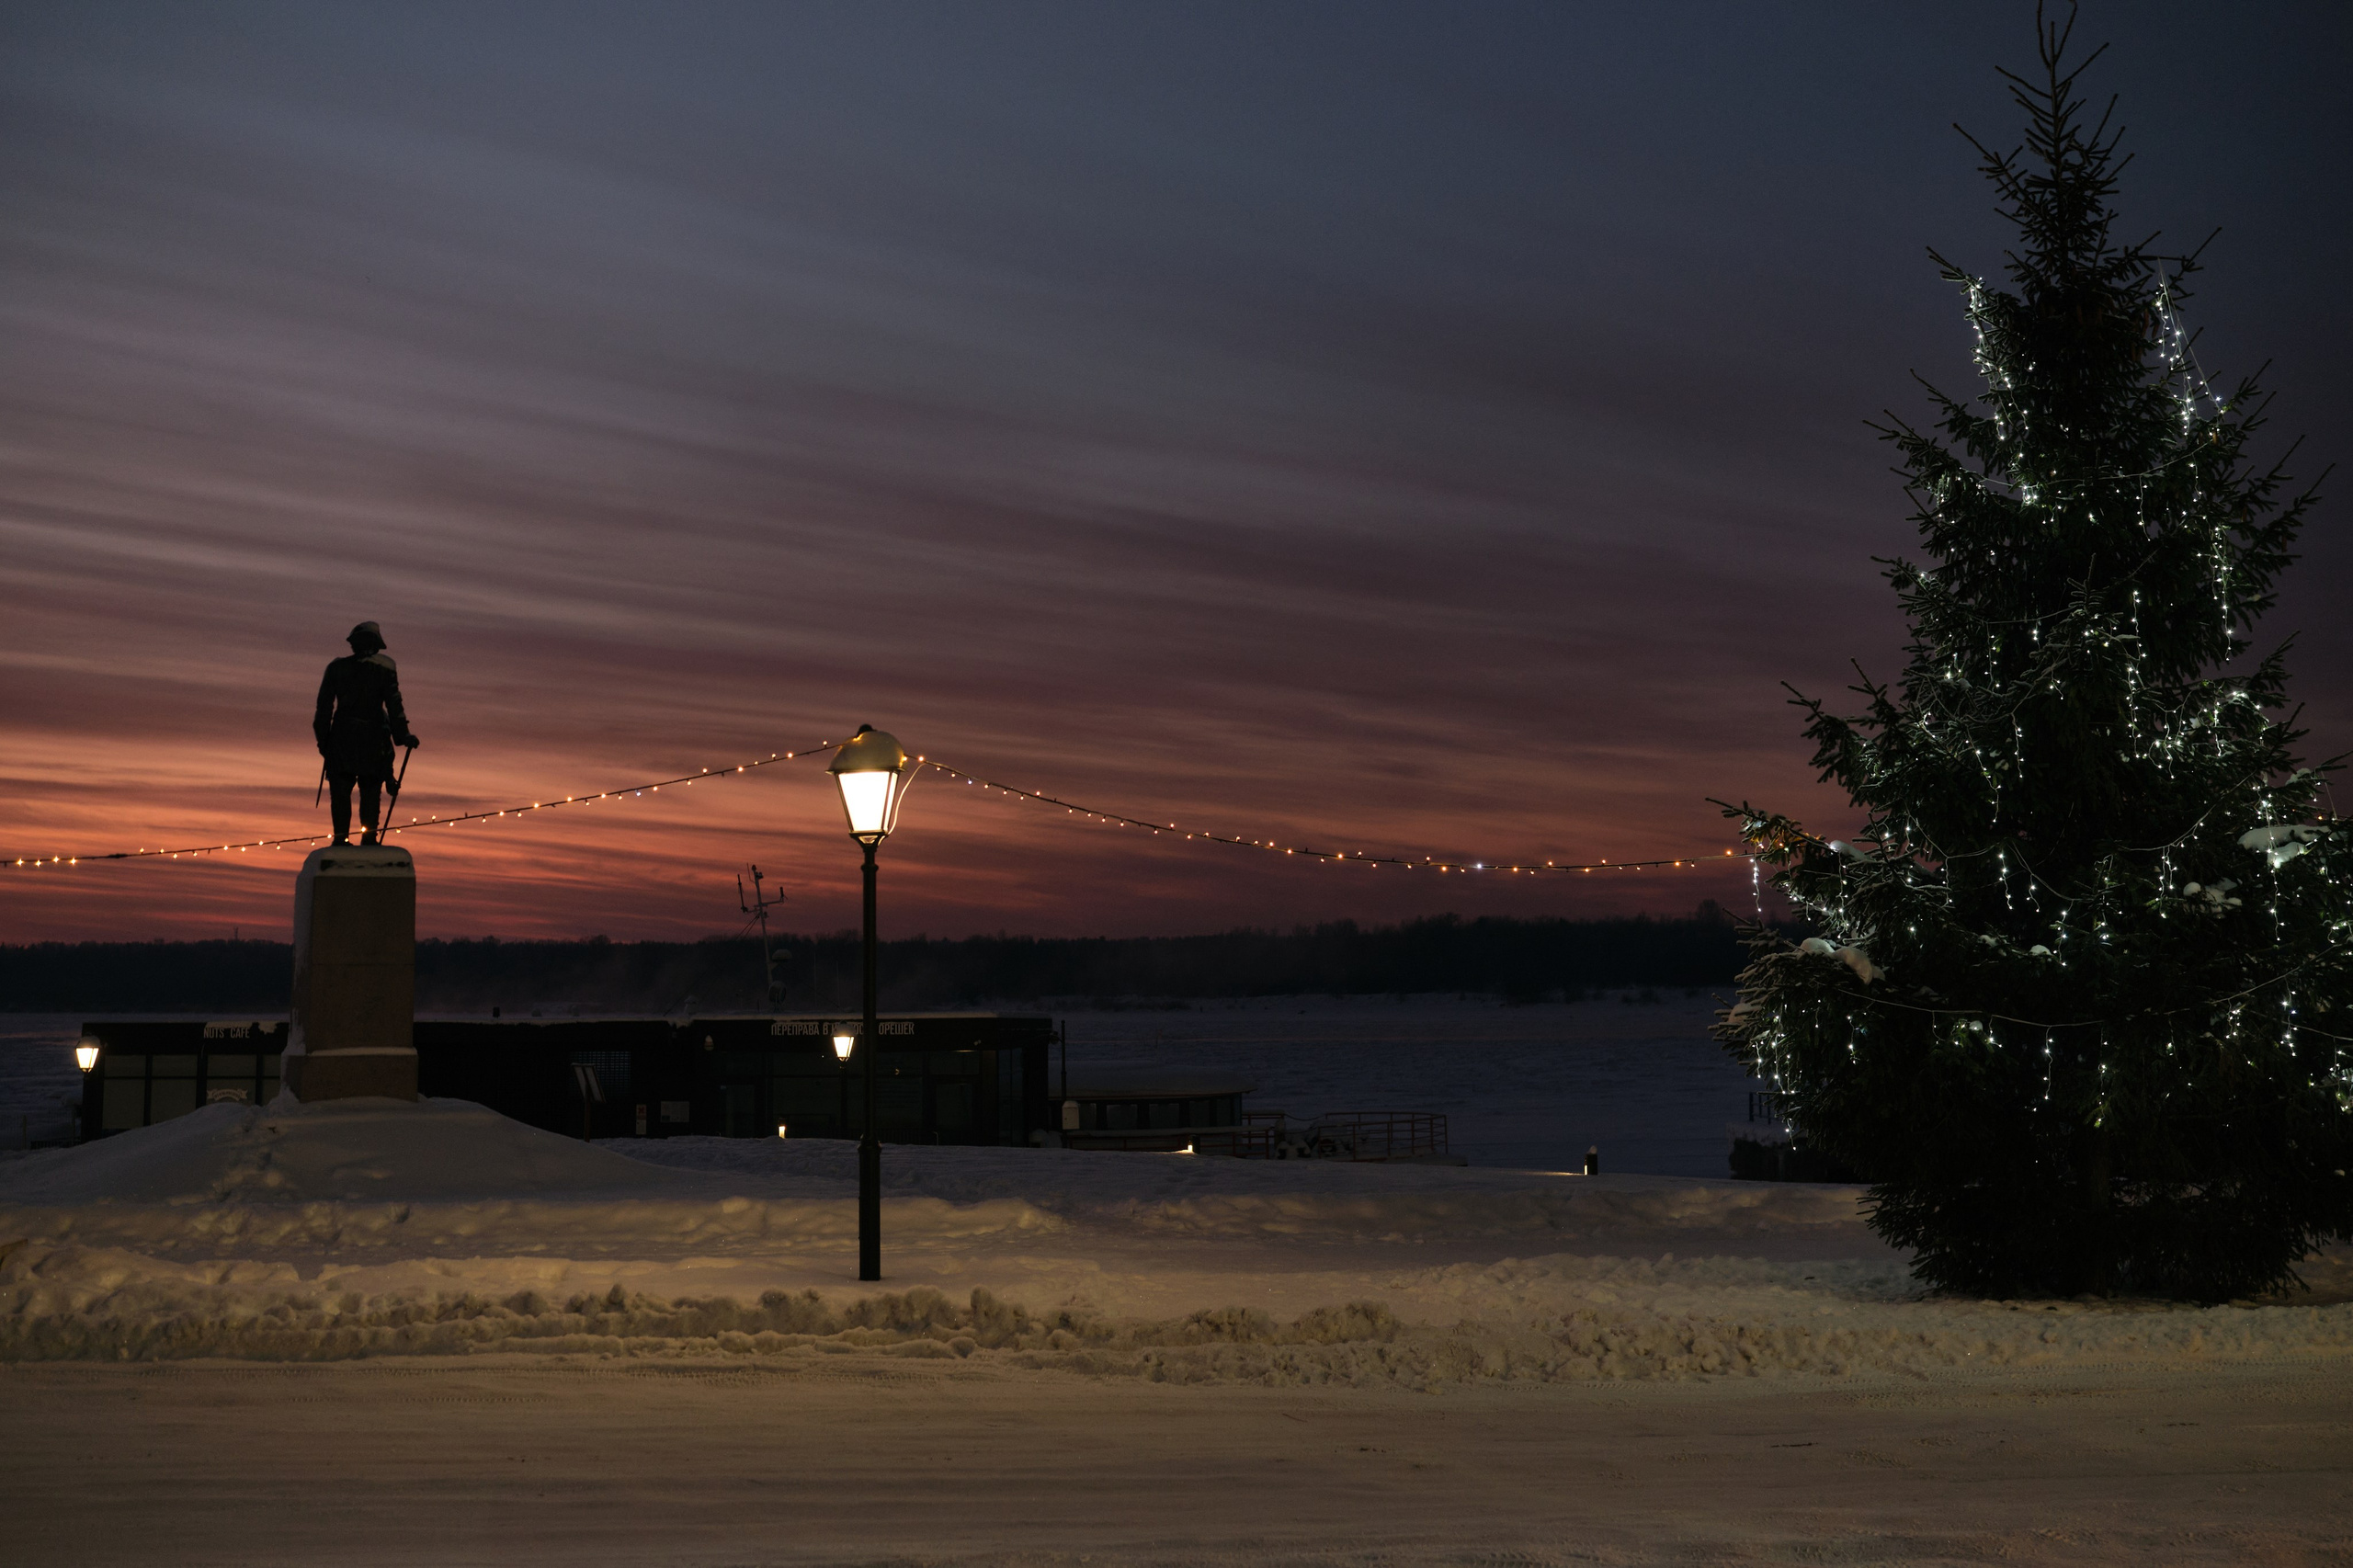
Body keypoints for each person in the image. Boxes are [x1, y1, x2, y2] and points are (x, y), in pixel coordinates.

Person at [313, 621, 419, 846]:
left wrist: (324, 742)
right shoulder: (380, 668)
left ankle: (356, 838)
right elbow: (394, 705)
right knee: (359, 792)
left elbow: (323, 710)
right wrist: (402, 736)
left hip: (352, 739)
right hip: (362, 739)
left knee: (360, 793)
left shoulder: (339, 668)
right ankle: (354, 839)